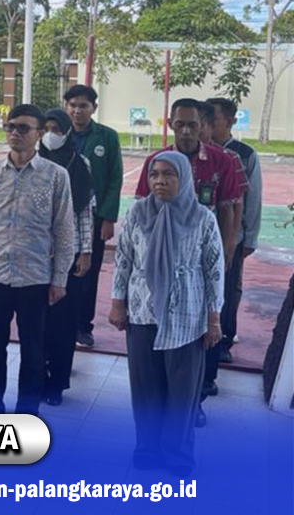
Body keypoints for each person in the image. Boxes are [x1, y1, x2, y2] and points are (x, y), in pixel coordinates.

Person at [110, 151, 224, 476]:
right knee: (145, 389)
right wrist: (117, 302)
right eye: (154, 174)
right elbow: (123, 260)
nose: (159, 181)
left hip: (186, 317)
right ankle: (146, 448)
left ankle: (178, 455)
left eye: (168, 174)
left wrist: (213, 319)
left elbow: (214, 271)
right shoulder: (137, 213)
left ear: (184, 178)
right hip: (143, 312)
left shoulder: (202, 218)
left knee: (182, 394)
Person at [134, 98, 244, 427]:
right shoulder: (156, 161)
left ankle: (197, 397)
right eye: (179, 124)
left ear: (203, 126)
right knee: (158, 331)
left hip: (203, 256)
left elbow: (229, 207)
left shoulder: (223, 161)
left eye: (192, 124)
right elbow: (142, 208)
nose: (185, 130)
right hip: (159, 259)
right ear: (170, 124)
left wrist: (226, 252)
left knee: (204, 333)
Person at [0, 103, 76, 416]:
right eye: (10, 126)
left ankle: (27, 412)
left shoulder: (56, 176)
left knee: (33, 348)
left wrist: (59, 278)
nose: (15, 133)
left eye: (23, 128)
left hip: (35, 276)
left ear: (39, 134)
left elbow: (64, 230)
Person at [39, 108, 95, 406]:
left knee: (63, 321)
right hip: (34, 255)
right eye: (46, 128)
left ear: (67, 132)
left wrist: (85, 251)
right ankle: (37, 377)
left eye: (57, 129)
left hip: (67, 253)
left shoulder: (80, 163)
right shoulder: (32, 162)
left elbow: (85, 211)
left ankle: (57, 383)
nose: (51, 134)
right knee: (36, 322)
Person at [63, 84, 123, 348]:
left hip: (94, 218)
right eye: (73, 105)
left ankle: (82, 326)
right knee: (60, 269)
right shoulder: (57, 133)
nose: (77, 111)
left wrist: (108, 217)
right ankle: (59, 322)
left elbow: (115, 178)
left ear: (93, 108)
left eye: (83, 106)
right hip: (61, 216)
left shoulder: (106, 137)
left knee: (88, 272)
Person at [204, 97, 262, 367]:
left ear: (230, 121)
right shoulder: (199, 152)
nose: (207, 124)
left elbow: (253, 200)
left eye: (212, 119)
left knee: (227, 288)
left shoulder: (244, 154)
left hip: (231, 238)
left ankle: (224, 340)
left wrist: (248, 238)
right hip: (201, 236)